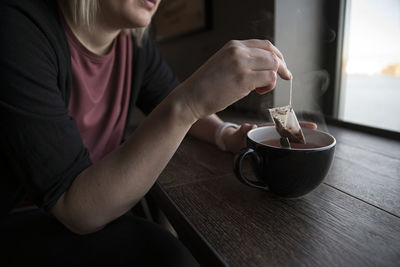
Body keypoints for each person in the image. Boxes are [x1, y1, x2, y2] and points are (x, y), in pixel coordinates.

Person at [0, 0, 312, 265]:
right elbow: (75, 208)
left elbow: (168, 96)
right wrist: (191, 100)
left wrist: (226, 134)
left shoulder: (133, 44)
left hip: (100, 203)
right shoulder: (18, 26)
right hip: (28, 217)